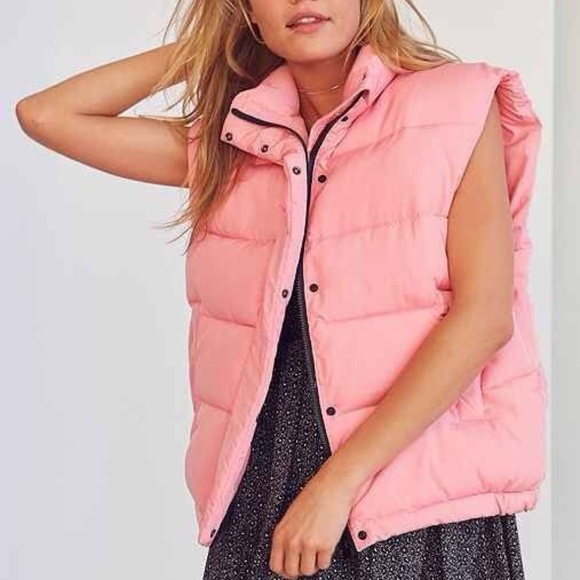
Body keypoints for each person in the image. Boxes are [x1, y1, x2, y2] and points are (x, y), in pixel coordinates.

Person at [15, 0, 547, 578]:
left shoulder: (453, 105)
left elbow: (484, 316)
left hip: (414, 498)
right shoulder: (235, 143)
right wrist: (213, 44)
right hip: (265, 492)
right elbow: (46, 115)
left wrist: (337, 484)